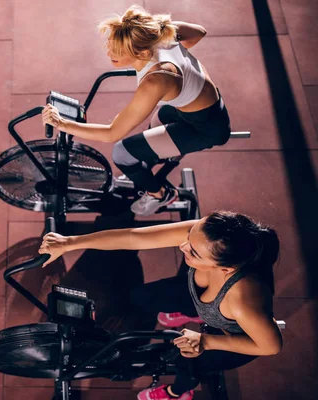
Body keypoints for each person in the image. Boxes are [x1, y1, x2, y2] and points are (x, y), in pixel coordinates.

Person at [39, 211, 283, 400]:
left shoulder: (242, 299)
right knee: (142, 297)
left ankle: (177, 393)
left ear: (225, 269)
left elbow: (270, 346)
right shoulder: (208, 236)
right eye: (189, 238)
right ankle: (197, 314)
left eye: (194, 252)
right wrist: (69, 242)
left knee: (184, 360)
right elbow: (134, 237)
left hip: (231, 339)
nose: (182, 246)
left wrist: (207, 341)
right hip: (199, 297)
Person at [42, 5, 231, 216]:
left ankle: (160, 194)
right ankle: (145, 171)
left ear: (141, 52)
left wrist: (62, 124)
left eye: (117, 52)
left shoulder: (155, 82)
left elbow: (112, 133)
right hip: (190, 109)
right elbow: (199, 32)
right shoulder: (161, 33)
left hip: (205, 128)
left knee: (122, 153)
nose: (108, 52)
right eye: (110, 44)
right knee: (154, 124)